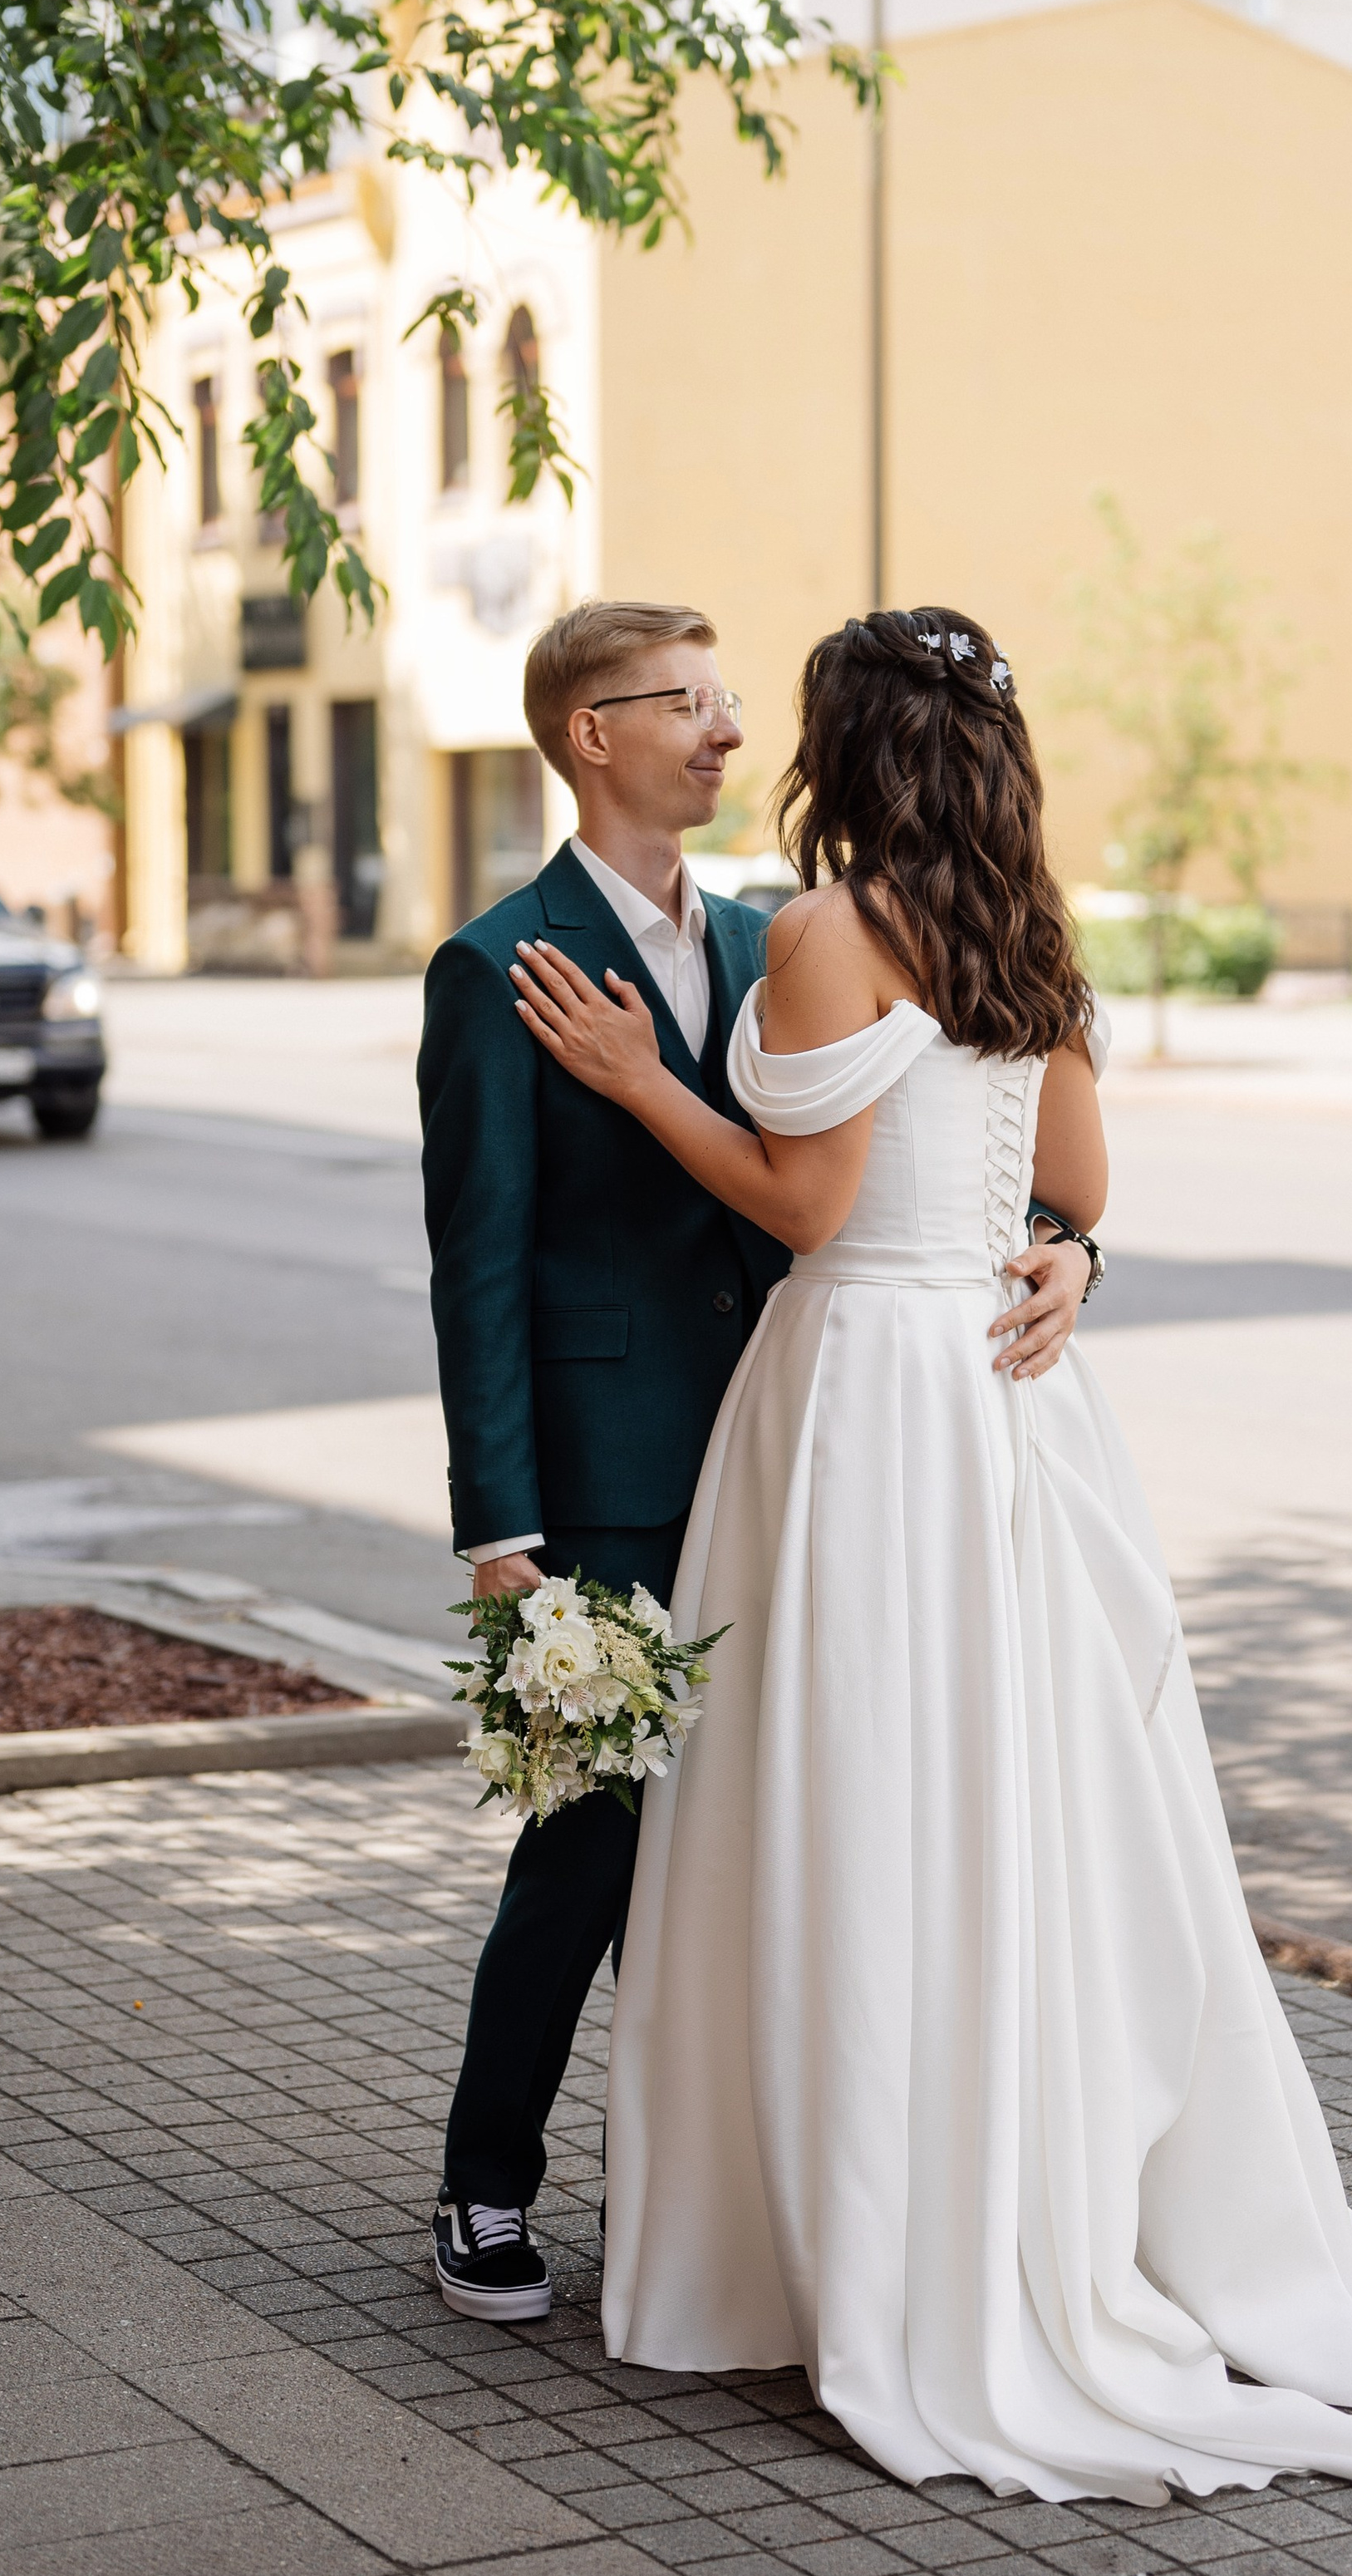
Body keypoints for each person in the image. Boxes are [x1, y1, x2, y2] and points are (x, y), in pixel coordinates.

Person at [505, 605, 1352, 2506]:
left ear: (845, 751)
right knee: (993, 1801)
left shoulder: (828, 930)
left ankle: (835, 2238)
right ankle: (1000, 2194)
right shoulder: (1021, 934)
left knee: (838, 1796)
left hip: (857, 1396)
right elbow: (1076, 1188)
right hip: (997, 1406)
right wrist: (1063, 1260)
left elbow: (801, 1197)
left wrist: (636, 1080)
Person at [420, 597, 1094, 2325]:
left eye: (736, 704)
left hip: (809, 1454)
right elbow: (478, 1264)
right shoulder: (495, 959)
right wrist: (501, 1530)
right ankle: (488, 2175)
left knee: (749, 1847)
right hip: (613, 1473)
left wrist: (1067, 1247)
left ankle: (712, 2192)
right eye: (689, 705)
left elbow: (946, 1151)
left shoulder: (776, 929)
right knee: (588, 1834)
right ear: (592, 734)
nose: (730, 734)